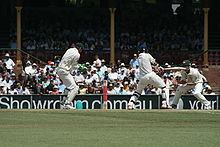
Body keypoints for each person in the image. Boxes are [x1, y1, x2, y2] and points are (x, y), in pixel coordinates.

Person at [56, 43, 84, 109]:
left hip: (60, 70)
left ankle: (63, 100)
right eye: (81, 49)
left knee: (69, 87)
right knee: (75, 88)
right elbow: (74, 65)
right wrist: (80, 67)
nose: (81, 50)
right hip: (64, 71)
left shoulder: (69, 50)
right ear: (79, 48)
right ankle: (67, 103)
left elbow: (68, 61)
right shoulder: (77, 54)